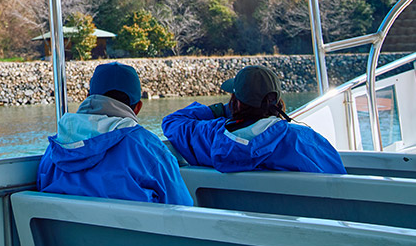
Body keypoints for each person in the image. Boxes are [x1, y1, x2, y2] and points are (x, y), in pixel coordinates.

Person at [37, 62, 193, 205]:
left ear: (88, 98)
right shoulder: (148, 149)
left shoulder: (54, 150)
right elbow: (182, 210)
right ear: (137, 107)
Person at [161, 65, 345, 174]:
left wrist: (219, 110)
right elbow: (337, 179)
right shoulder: (305, 140)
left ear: (237, 103)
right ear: (277, 100)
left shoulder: (212, 136)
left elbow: (172, 121)